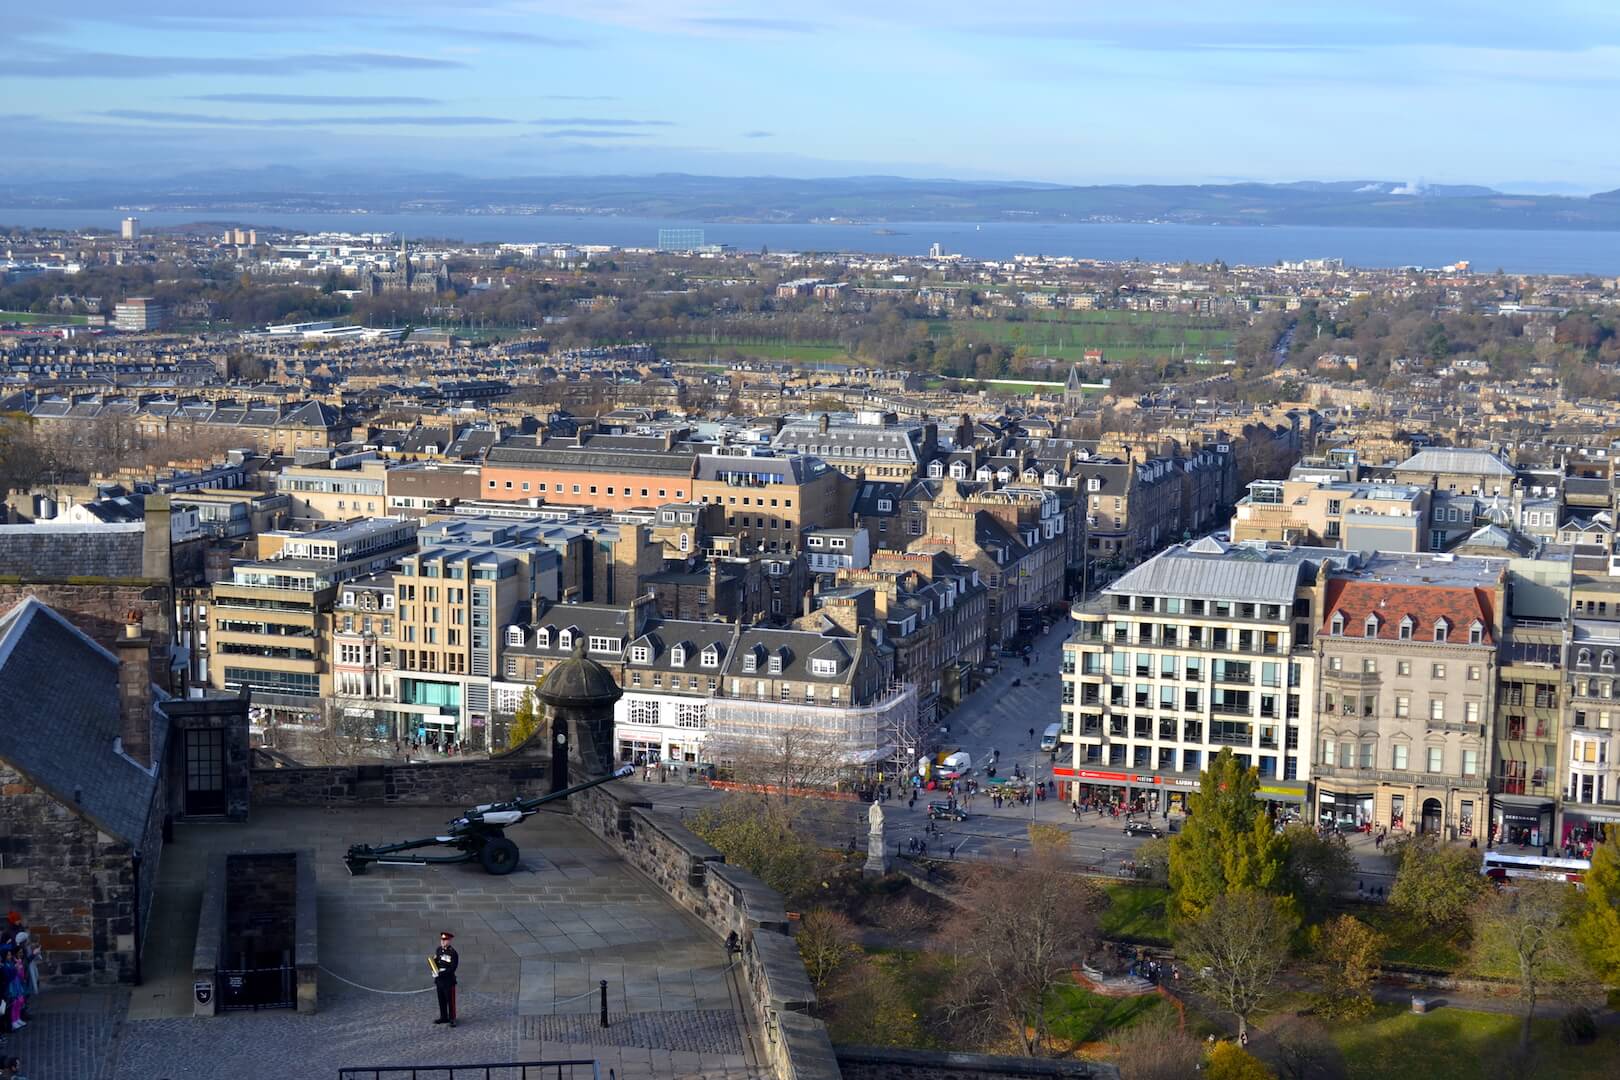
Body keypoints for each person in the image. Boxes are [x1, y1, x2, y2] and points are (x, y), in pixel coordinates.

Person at [431, 931, 459, 1027]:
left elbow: (452, 968)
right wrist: (433, 968)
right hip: (439, 980)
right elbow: (436, 962)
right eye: (442, 940)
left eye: (445, 940)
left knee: (450, 1000)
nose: (443, 942)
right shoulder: (438, 950)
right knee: (441, 999)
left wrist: (441, 973)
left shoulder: (453, 953)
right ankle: (443, 1017)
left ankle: (452, 1018)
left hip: (448, 980)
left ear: (450, 941)